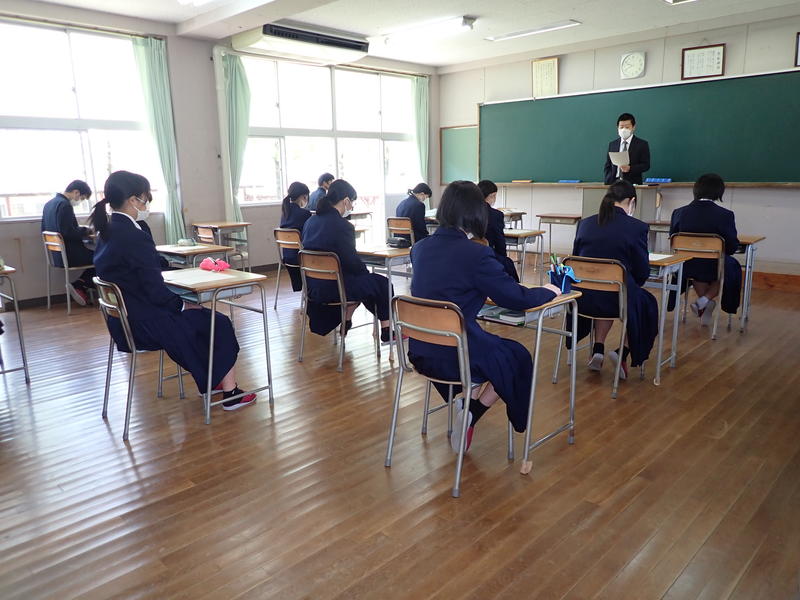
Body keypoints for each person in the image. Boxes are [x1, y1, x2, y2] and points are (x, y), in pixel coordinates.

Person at [408, 180, 562, 453]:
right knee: (517, 356)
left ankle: (466, 403)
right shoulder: (476, 253)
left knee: (490, 348)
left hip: (422, 351)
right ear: (476, 212)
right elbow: (515, 298)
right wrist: (548, 290)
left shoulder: (419, 248)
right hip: (457, 355)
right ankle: (472, 411)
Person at [91, 171, 255, 411]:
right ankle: (231, 393)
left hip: (123, 324)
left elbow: (140, 273)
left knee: (200, 318)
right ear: (133, 200)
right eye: (146, 198)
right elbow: (155, 291)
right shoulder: (133, 235)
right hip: (147, 324)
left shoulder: (107, 231)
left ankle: (210, 381)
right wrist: (183, 304)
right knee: (218, 323)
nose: (147, 204)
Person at [570, 179, 658, 378]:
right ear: (632, 201)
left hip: (582, 298)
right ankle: (622, 352)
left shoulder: (585, 224)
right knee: (647, 303)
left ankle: (598, 349)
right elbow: (642, 271)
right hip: (616, 298)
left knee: (606, 292)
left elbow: (576, 259)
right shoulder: (637, 227)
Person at [301, 179, 393, 340]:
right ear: (346, 201)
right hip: (336, 289)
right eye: (352, 203)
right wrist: (365, 273)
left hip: (314, 289)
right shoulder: (343, 225)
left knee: (364, 284)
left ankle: (347, 320)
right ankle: (386, 330)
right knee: (381, 283)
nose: (352, 207)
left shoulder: (310, 222)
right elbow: (351, 261)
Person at [669, 173, 741, 324]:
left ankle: (703, 303)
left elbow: (673, 240)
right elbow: (731, 247)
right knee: (729, 267)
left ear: (696, 190)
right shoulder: (725, 215)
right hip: (714, 265)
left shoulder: (679, 213)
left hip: (685, 265)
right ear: (719, 191)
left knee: (697, 267)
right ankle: (704, 301)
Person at [41, 180, 95, 305]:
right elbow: (67, 232)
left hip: (56, 256)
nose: (80, 201)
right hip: (70, 255)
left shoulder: (49, 204)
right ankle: (80, 285)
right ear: (76, 192)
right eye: (82, 198)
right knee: (103, 257)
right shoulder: (65, 205)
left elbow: (44, 229)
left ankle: (81, 285)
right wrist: (86, 230)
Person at [477, 179, 519, 282]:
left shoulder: (467, 211)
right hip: (487, 254)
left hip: (467, 253)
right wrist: (503, 258)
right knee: (507, 264)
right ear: (492, 195)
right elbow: (499, 240)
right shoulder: (496, 215)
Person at [279, 181, 312, 292]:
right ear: (304, 196)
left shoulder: (285, 213)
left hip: (287, 257)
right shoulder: (305, 214)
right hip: (301, 258)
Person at [603, 113, 650, 185]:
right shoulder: (612, 144)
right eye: (621, 127)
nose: (624, 130)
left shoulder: (641, 144)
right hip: (614, 183)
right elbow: (608, 165)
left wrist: (630, 168)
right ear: (617, 127)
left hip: (632, 184)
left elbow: (646, 165)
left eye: (627, 127)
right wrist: (608, 179)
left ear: (633, 127)